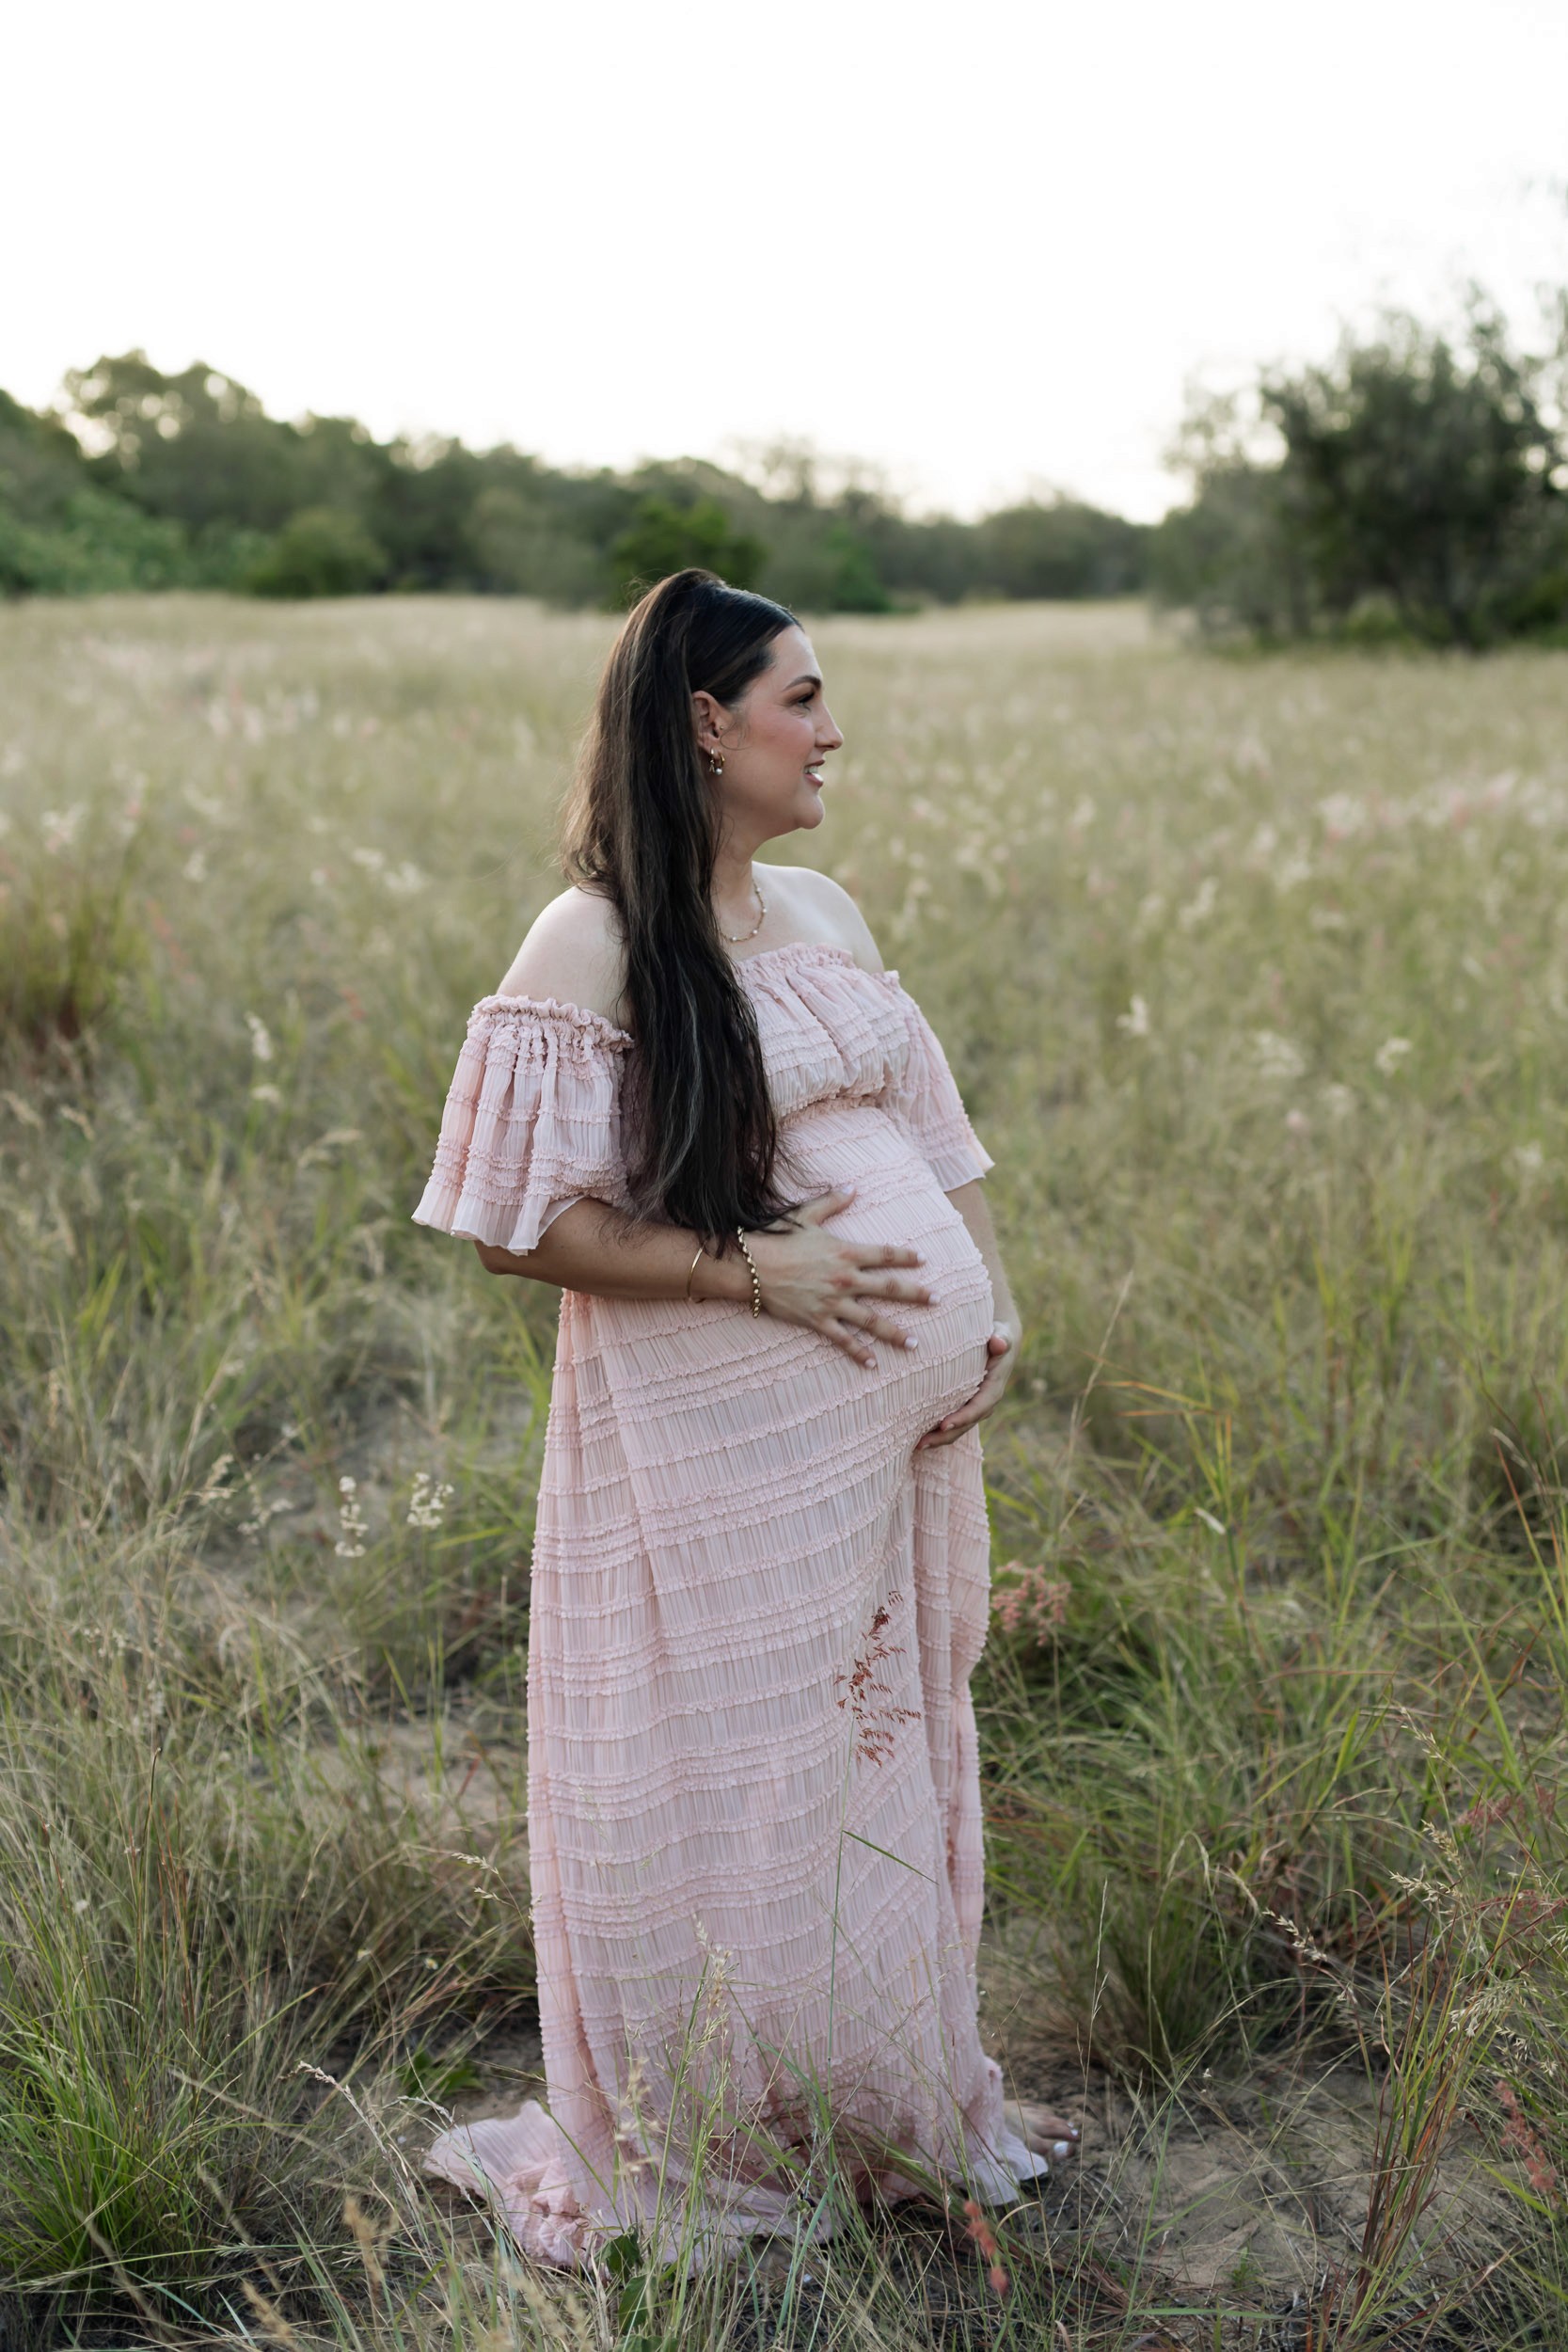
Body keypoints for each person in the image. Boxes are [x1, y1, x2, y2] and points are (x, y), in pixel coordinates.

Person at [412, 568, 1078, 2268]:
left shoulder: (826, 913)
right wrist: (753, 1272)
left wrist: (990, 1303)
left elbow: (937, 1133)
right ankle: (730, 2118)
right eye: (803, 699)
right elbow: (516, 1227)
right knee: (747, 1776)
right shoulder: (594, 941)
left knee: (874, 1760)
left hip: (884, 1447)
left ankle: (888, 2100)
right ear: (708, 723)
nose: (832, 731)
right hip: (727, 1456)